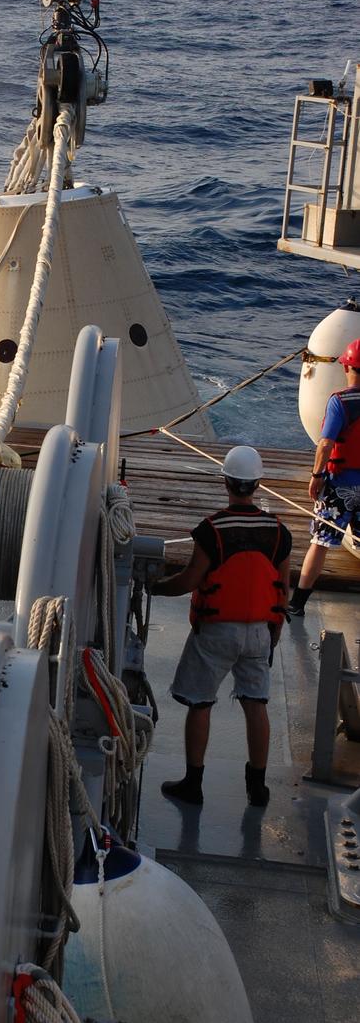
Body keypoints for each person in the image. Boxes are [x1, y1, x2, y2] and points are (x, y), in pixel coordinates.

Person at [152, 446, 291, 808]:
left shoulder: (211, 531)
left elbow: (189, 581)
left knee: (200, 704)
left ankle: (193, 784)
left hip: (216, 631)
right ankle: (257, 787)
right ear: (257, 484)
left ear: (226, 482)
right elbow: (283, 588)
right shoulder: (279, 532)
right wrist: (273, 627)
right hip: (260, 631)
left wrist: (152, 587)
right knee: (256, 704)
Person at [287, 338, 360, 617]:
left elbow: (326, 444)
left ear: (347, 367)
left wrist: (316, 475)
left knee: (320, 542)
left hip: (339, 485)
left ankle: (298, 604)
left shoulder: (340, 402)